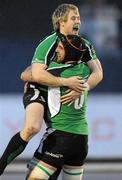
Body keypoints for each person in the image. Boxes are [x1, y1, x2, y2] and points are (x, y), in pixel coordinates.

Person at [0, 3, 103, 177]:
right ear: (61, 22)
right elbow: (29, 75)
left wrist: (82, 87)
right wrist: (67, 81)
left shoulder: (84, 45)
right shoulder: (49, 43)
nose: (78, 20)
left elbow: (98, 72)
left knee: (56, 134)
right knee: (32, 127)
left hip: (57, 90)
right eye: (73, 17)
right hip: (40, 88)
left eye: (79, 17)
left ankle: (39, 162)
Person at [25, 33, 102, 180]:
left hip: (59, 137)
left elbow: (25, 75)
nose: (56, 50)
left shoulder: (55, 70)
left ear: (70, 52)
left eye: (60, 47)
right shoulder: (86, 70)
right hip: (82, 139)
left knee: (33, 178)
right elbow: (98, 72)